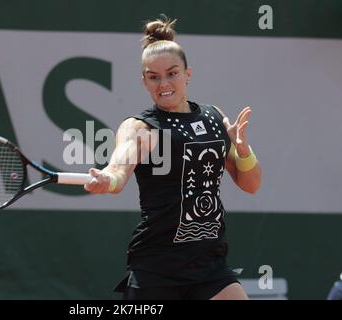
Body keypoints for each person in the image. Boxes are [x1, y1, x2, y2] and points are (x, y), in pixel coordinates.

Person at [84, 15, 261, 300]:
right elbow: (119, 169)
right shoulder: (140, 127)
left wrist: (243, 151)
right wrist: (108, 178)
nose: (163, 83)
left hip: (209, 264)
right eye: (153, 77)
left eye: (172, 73)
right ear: (144, 81)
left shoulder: (214, 118)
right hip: (157, 268)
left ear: (187, 74)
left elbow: (251, 184)